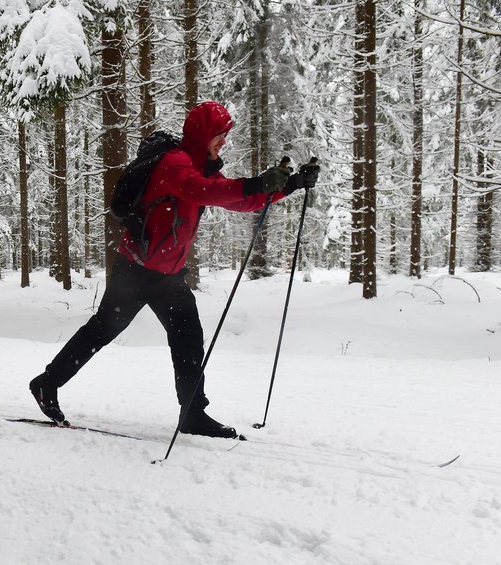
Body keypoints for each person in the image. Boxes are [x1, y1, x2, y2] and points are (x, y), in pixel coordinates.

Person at [29, 101, 319, 438]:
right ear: (202, 135)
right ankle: (46, 384)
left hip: (168, 275)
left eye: (225, 136)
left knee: (188, 339)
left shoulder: (202, 167)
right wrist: (257, 183)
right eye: (219, 136)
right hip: (135, 270)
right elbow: (203, 192)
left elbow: (235, 199)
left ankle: (193, 414)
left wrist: (291, 185)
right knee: (102, 330)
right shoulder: (174, 164)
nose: (223, 142)